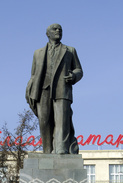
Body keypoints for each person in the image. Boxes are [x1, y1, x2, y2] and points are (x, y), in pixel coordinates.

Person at [26, 23, 83, 154]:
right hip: (42, 90)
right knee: (44, 121)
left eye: (60, 29)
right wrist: (30, 89)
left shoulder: (70, 50)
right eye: (55, 29)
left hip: (62, 90)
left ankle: (61, 149)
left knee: (62, 121)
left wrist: (73, 75)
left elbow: (79, 69)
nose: (58, 31)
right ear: (48, 34)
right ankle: (47, 150)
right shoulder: (38, 53)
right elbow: (34, 74)